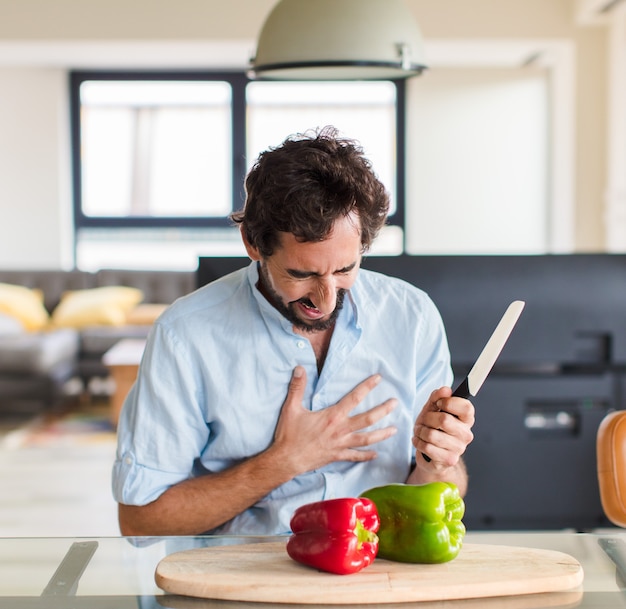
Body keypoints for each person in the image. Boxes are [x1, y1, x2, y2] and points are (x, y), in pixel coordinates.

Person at [112, 126, 475, 536]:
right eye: (301, 274)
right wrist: (284, 460)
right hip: (241, 583)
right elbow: (141, 520)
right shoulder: (185, 336)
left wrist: (438, 460)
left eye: (344, 270)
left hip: (377, 573)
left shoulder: (412, 316)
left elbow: (446, 489)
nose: (326, 299)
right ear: (252, 242)